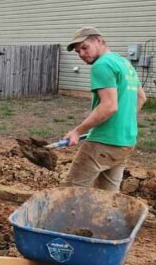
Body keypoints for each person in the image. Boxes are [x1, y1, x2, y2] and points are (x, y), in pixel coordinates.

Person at [62, 27, 146, 192]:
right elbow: (141, 98)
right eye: (78, 52)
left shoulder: (102, 65)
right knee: (106, 196)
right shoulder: (125, 63)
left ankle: (65, 219)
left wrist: (78, 131)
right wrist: (122, 122)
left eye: (85, 47)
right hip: (126, 141)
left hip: (103, 142)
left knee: (69, 193)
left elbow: (109, 106)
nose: (82, 54)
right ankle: (102, 218)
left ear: (99, 40)